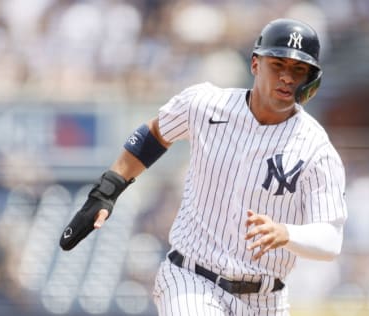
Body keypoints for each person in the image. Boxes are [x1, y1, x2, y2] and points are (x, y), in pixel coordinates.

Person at [59, 18, 348, 315]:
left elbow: (330, 238)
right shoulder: (206, 105)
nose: (287, 77)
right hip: (191, 279)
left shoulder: (316, 149)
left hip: (267, 299)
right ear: (255, 64)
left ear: (311, 79)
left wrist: (288, 233)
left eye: (298, 69)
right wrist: (109, 189)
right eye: (278, 65)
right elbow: (155, 134)